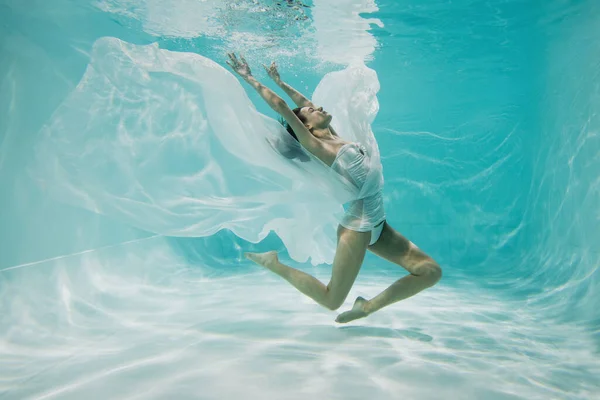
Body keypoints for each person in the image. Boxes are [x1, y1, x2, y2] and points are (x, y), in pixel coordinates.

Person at [226, 53, 442, 323]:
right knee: (332, 300)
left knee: (430, 271)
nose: (317, 108)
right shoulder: (319, 147)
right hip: (358, 227)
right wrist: (249, 78)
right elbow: (282, 108)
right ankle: (273, 263)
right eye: (311, 113)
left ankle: (367, 307)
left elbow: (302, 104)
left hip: (378, 223)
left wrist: (281, 81)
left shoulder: (336, 138)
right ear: (306, 127)